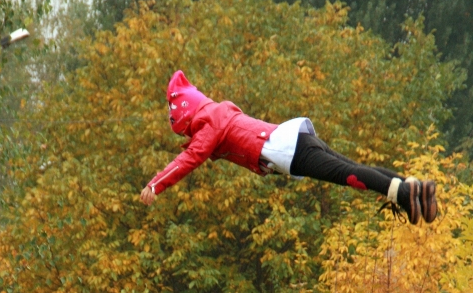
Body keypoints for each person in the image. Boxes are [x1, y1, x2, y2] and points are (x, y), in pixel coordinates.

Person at [140, 70, 438, 225]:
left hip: (290, 149)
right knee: (353, 169)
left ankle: (405, 194)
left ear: (184, 109)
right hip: (294, 142)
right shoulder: (215, 115)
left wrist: (156, 185)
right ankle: (412, 188)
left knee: (348, 175)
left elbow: (192, 156)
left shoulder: (209, 121)